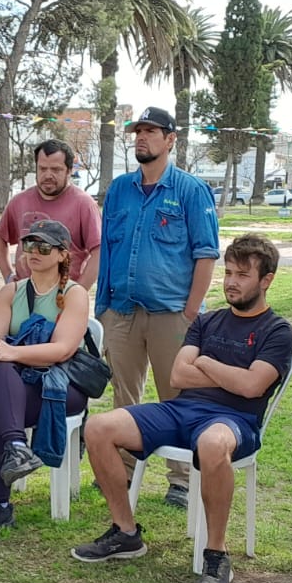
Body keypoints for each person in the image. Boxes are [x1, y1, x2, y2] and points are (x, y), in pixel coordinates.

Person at [71, 234, 292, 583]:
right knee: (98, 427)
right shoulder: (207, 322)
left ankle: (217, 555)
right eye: (229, 272)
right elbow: (178, 376)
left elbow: (253, 387)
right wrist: (228, 374)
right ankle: (125, 533)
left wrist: (205, 362)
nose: (231, 282)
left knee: (211, 443)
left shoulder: (277, 330)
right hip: (181, 410)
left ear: (266, 280)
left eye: (243, 275)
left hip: (235, 420)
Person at [93, 106, 220, 509]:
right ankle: (123, 470)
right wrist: (103, 308)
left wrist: (190, 313)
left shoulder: (190, 190)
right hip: (122, 311)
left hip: (171, 315)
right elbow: (108, 249)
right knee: (124, 395)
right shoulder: (119, 190)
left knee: (178, 396)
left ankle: (180, 480)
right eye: (138, 132)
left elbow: (205, 254)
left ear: (171, 139)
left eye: (151, 132)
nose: (141, 138)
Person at [0, 219, 92, 540]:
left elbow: (62, 350)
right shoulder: (11, 291)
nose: (33, 252)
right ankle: (17, 446)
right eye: (28, 245)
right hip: (18, 381)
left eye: (43, 247)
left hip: (61, 385)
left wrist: (10, 353)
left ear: (63, 255)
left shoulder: (74, 294)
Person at [0, 140, 102, 288]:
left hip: (62, 297)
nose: (48, 175)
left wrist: (79, 291)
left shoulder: (84, 204)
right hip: (23, 295)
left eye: (56, 170)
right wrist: (8, 276)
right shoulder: (20, 201)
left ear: (69, 171)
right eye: (42, 169)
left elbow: (99, 251)